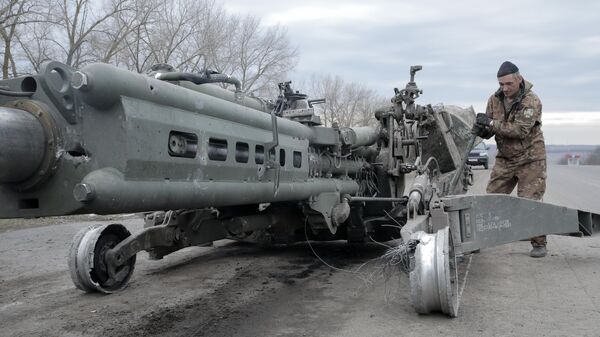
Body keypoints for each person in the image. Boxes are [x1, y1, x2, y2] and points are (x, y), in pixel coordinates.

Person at [474, 61, 547, 258]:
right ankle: (477, 239)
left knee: (530, 202)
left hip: (530, 158)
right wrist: (483, 129)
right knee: (490, 200)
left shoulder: (531, 101)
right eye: (501, 84)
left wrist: (491, 123)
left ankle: (539, 242)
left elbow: (520, 131)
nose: (504, 88)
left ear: (519, 79)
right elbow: (492, 129)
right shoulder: (494, 100)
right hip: (505, 158)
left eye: (508, 84)